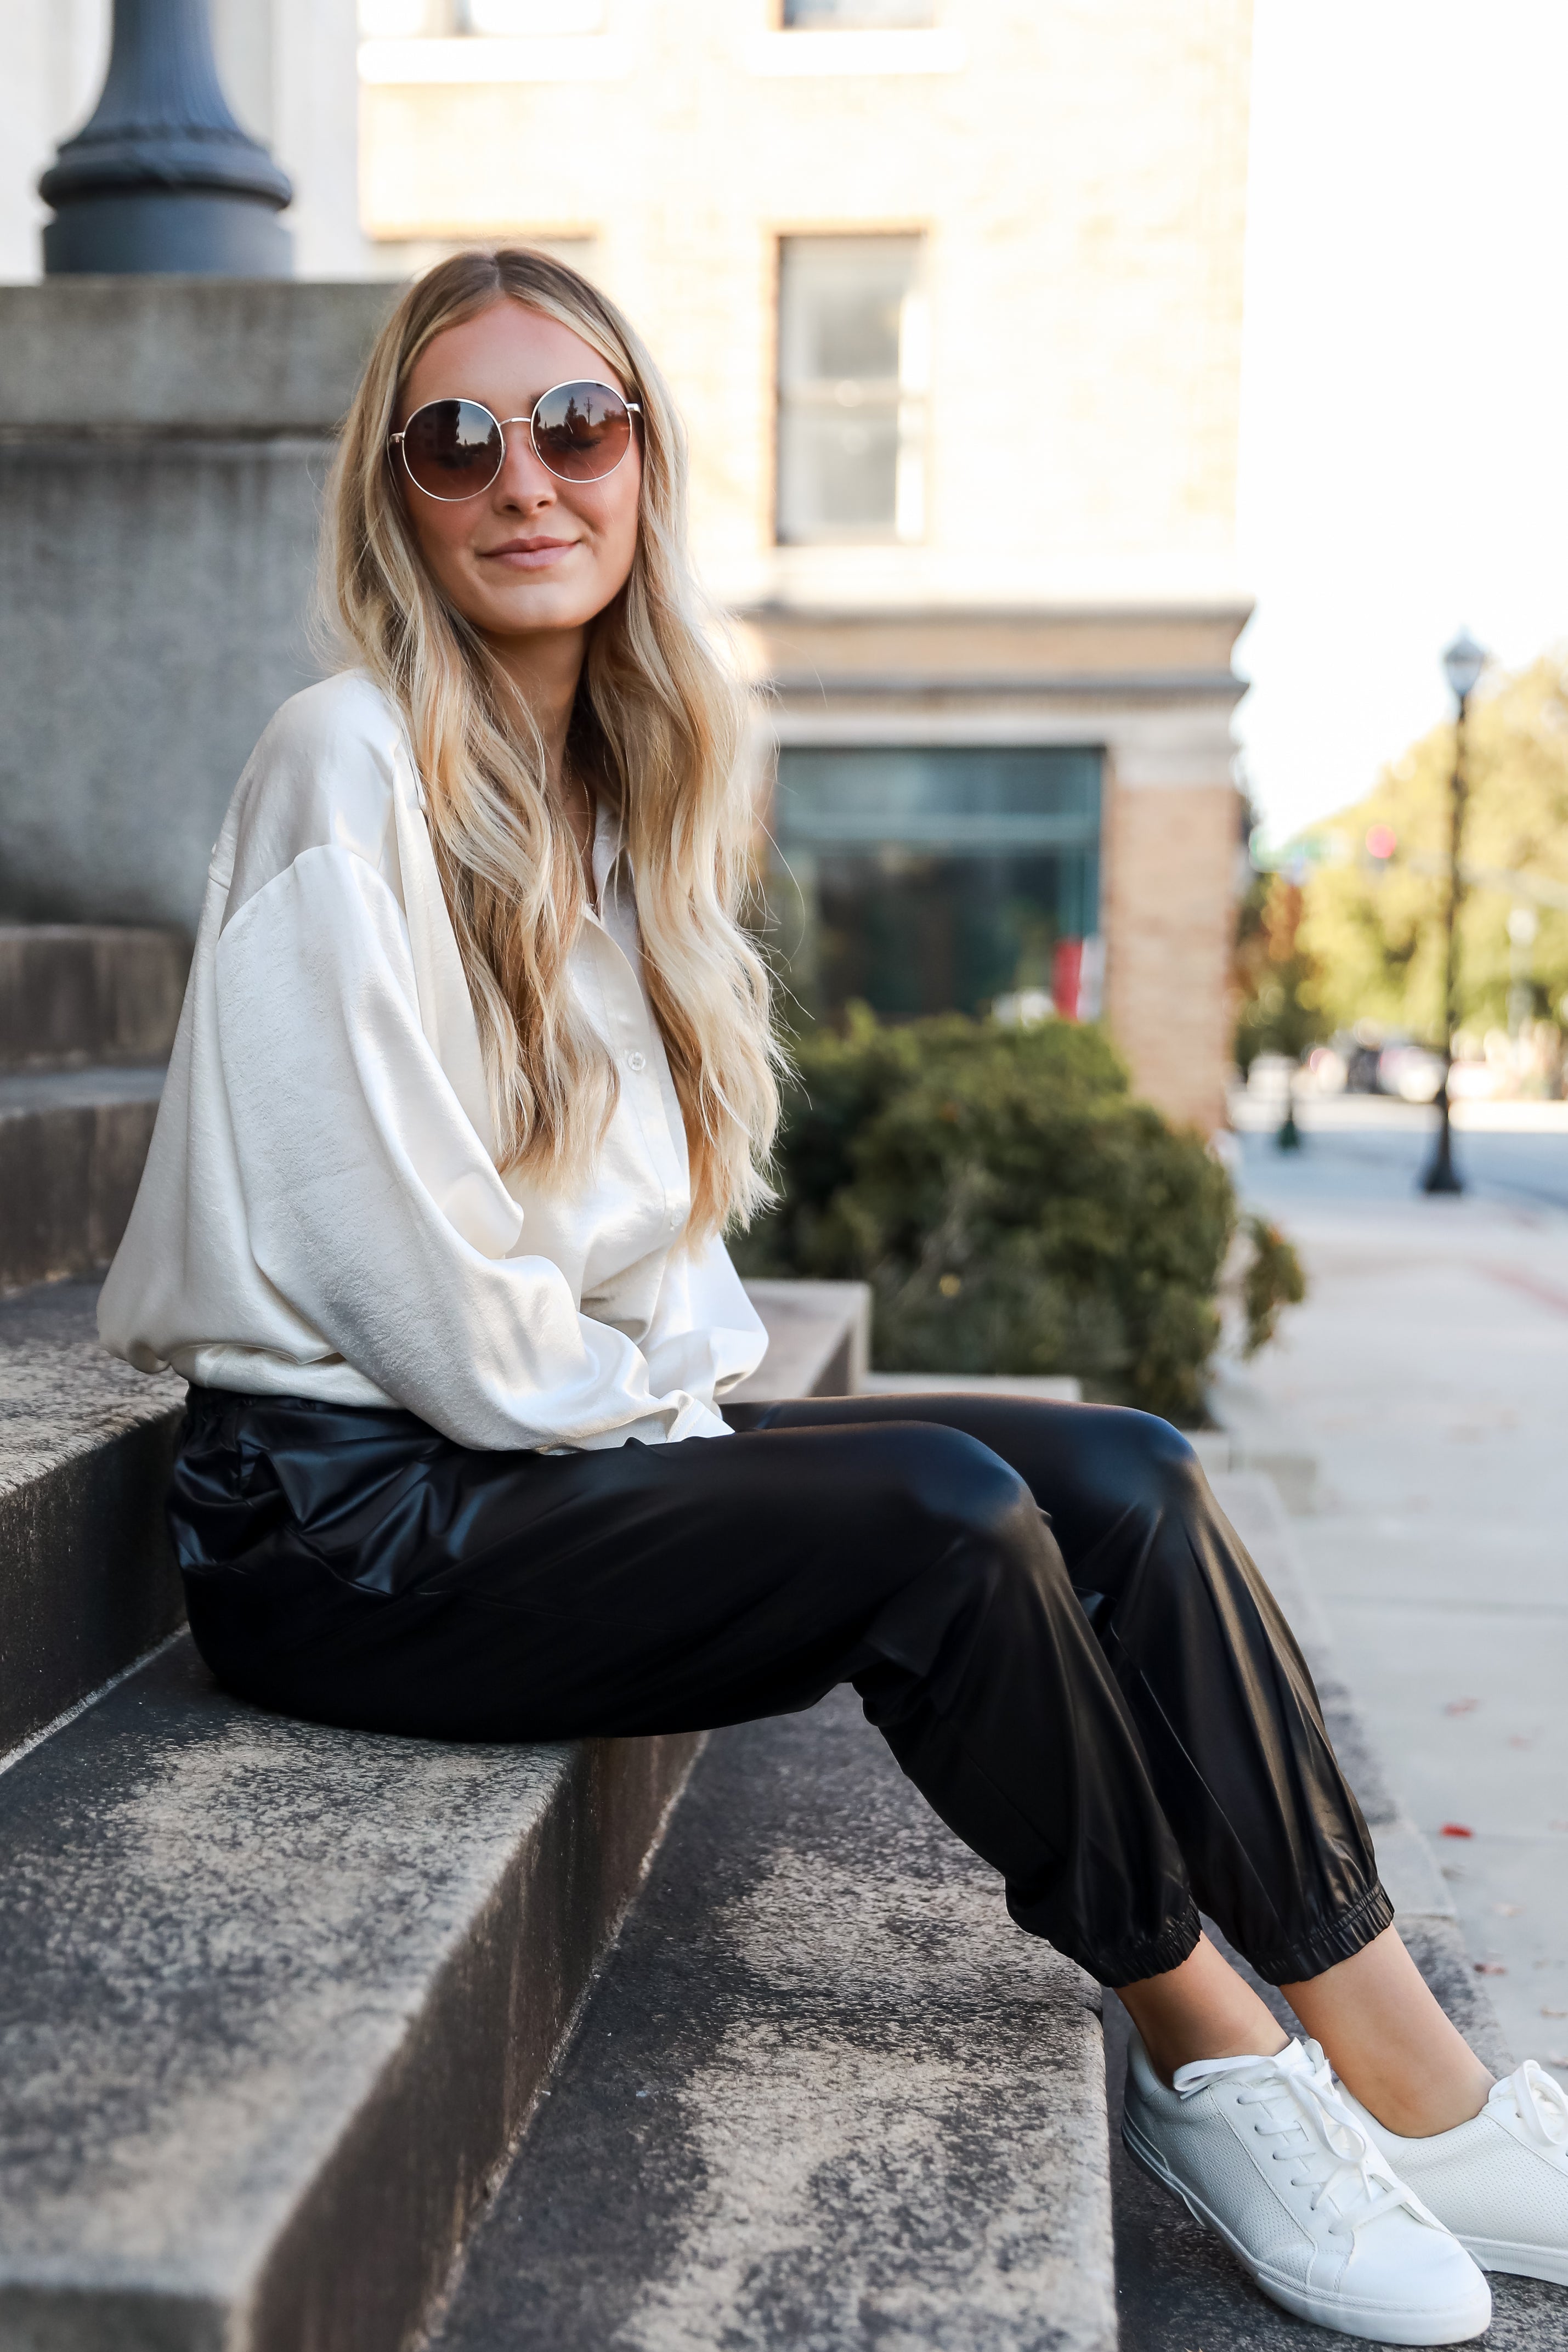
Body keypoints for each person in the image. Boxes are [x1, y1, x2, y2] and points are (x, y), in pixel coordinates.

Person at [99, 249, 1568, 2346]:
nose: (525, 479)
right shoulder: (344, 759)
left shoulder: (626, 795)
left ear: (641, 465)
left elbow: (653, 1260)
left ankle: (1414, 2085)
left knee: (1120, 1471)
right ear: (393, 499)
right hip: (342, 1516)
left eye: (575, 425)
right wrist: (693, 1445)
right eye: (458, 439)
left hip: (524, 1442)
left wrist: (679, 1417)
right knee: (939, 1518)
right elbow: (390, 1255)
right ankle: (1218, 2065)